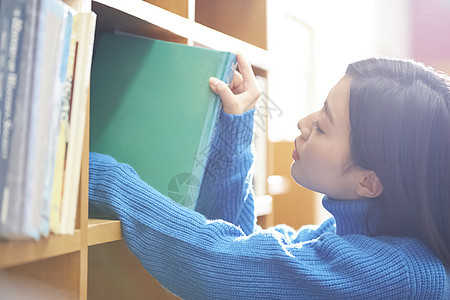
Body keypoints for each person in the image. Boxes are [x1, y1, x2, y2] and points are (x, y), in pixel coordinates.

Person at [89, 54, 450, 299]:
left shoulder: (399, 274)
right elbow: (249, 251)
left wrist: (104, 179)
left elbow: (220, 266)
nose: (303, 123)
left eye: (323, 127)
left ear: (369, 182)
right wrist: (235, 124)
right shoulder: (349, 235)